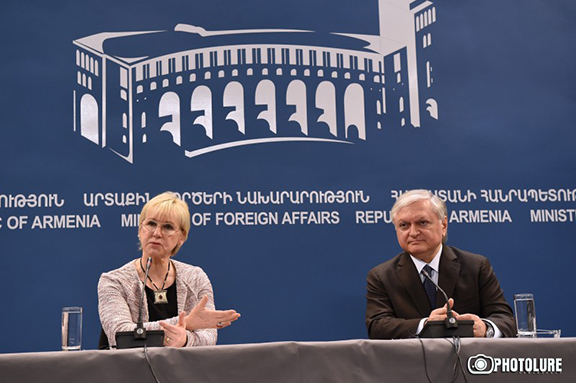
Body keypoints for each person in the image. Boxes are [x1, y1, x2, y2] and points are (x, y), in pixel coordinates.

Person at [366, 189, 516, 339]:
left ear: (443, 225)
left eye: (422, 223)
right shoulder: (382, 276)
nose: (413, 232)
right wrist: (425, 325)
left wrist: (485, 328)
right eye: (404, 225)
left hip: (469, 359)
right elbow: (377, 326)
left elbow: (505, 319)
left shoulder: (475, 266)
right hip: (410, 360)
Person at [98, 191, 240, 348]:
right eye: (151, 224)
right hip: (129, 370)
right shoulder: (114, 281)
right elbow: (120, 334)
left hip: (182, 370)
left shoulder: (196, 277)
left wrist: (185, 340)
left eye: (167, 227)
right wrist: (186, 323)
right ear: (140, 230)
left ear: (182, 237)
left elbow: (208, 336)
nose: (157, 233)